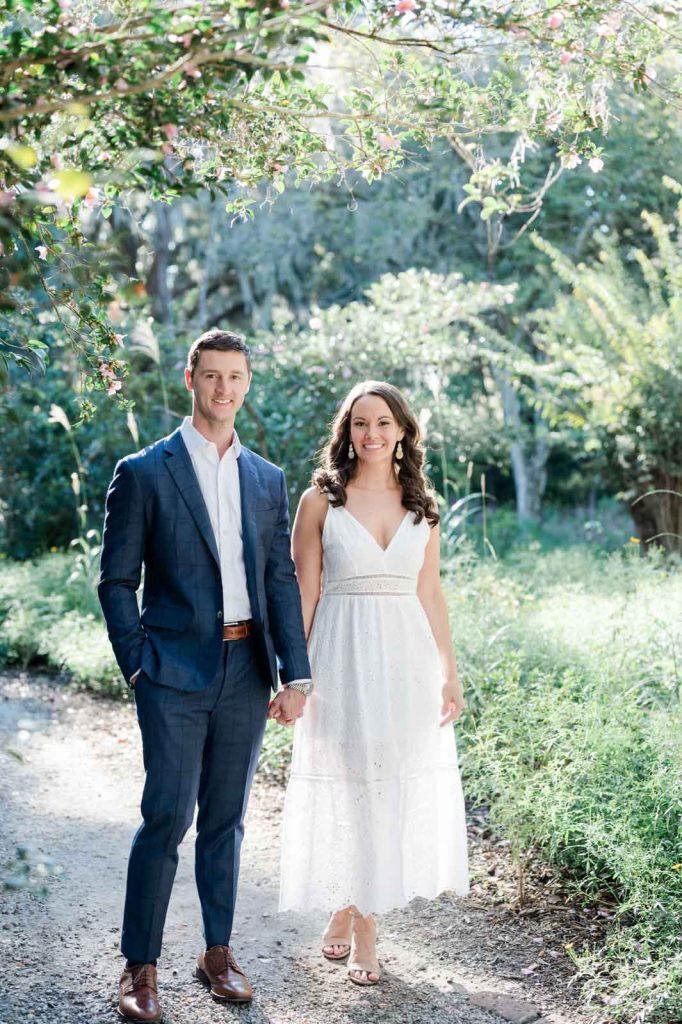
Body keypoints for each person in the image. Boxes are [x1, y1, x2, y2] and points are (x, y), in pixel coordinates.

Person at [98, 329, 312, 1022]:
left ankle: (217, 953)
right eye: (212, 375)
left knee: (227, 822)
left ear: (248, 383)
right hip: (172, 672)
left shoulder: (267, 478)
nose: (225, 388)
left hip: (247, 669)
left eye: (236, 376)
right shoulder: (145, 471)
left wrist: (295, 675)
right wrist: (137, 664)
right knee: (166, 818)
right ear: (190, 378)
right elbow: (115, 580)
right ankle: (141, 967)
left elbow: (279, 580)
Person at [278, 380, 469, 985]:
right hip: (339, 655)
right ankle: (367, 933)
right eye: (360, 423)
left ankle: (345, 907)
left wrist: (449, 671)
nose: (372, 434)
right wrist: (294, 676)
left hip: (405, 659)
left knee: (384, 790)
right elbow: (304, 590)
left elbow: (430, 592)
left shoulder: (423, 506)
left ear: (403, 431)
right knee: (351, 784)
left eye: (383, 422)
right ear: (347, 432)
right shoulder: (321, 502)